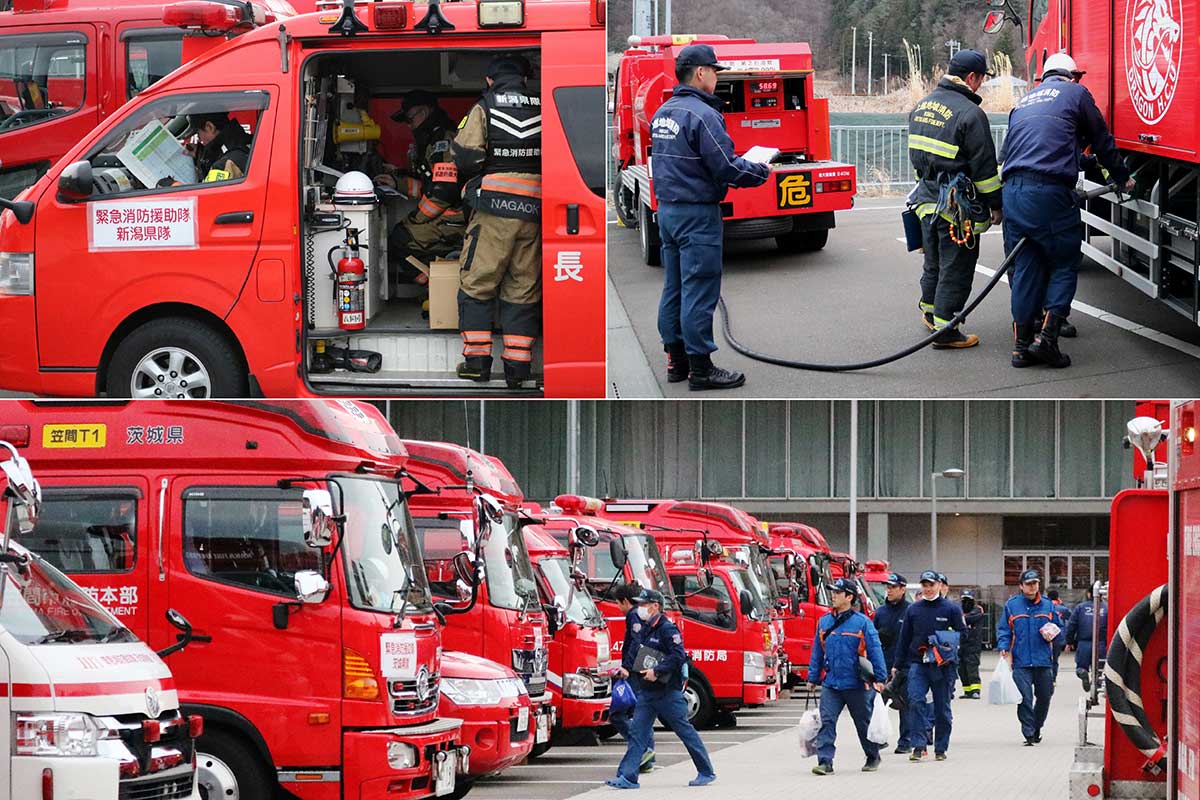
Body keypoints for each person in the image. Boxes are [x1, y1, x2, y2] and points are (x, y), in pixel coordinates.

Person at [1000, 52, 1135, 369]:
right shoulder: (1076, 93)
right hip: (1049, 193)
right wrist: (1122, 178)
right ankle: (1047, 341)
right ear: (1072, 76)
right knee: (1063, 261)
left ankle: (1021, 348)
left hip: (1014, 193)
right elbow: (1101, 139)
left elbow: (1020, 150)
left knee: (1027, 267)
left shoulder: (1023, 102)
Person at [649, 43, 770, 391]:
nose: (717, 78)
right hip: (697, 215)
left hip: (669, 211)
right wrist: (761, 170)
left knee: (674, 288)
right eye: (715, 71)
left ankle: (677, 362)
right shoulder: (703, 115)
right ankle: (701, 369)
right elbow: (727, 166)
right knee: (700, 290)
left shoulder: (664, 113)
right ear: (700, 73)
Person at [451, 54, 543, 389]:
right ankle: (518, 371)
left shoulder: (485, 106)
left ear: (490, 80)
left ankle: (477, 364)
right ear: (522, 79)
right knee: (523, 288)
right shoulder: (542, 103)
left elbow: (466, 155)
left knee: (478, 282)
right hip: (535, 211)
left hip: (494, 211)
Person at [906, 49, 1003, 349]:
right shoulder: (971, 114)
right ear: (971, 77)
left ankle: (930, 313)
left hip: (925, 202)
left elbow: (917, 159)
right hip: (955, 210)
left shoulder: (920, 107)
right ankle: (946, 330)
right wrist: (995, 205)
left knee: (933, 263)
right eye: (981, 80)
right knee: (956, 267)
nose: (980, 86)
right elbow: (985, 170)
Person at [606, 589, 714, 789]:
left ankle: (706, 771)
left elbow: (678, 656)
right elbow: (642, 653)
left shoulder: (667, 629)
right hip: (647, 692)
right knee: (638, 734)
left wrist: (657, 671)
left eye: (644, 604)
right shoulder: (647, 628)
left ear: (655, 606)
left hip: (667, 693)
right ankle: (628, 777)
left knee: (685, 731)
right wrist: (628, 670)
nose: (640, 608)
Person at [378, 91, 466, 291]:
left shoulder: (443, 140)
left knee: (399, 240)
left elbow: (444, 192)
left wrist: (416, 219)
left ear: (424, 112)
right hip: (448, 215)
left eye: (410, 119)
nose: (408, 126)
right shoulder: (431, 139)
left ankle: (435, 288)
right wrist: (396, 183)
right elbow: (428, 186)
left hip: (457, 219)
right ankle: (436, 289)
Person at [807, 578, 887, 775]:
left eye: (837, 592)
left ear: (849, 597)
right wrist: (813, 677)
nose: (833, 595)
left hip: (857, 684)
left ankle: (872, 755)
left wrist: (880, 678)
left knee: (863, 723)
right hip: (832, 684)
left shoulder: (863, 623)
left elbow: (875, 650)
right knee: (827, 721)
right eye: (832, 592)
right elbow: (817, 651)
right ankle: (825, 762)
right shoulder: (824, 622)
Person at [893, 570, 964, 762]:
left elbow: (962, 635)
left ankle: (940, 747)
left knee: (941, 707)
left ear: (940, 586)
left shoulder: (951, 609)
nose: (928, 589)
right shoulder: (913, 610)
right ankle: (919, 745)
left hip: (943, 666)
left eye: (931, 585)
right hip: (918, 663)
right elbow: (904, 637)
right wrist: (897, 664)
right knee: (915, 701)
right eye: (925, 585)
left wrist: (946, 645)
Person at [995, 570, 1064, 745]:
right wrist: (1004, 647)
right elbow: (1004, 629)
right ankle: (1028, 732)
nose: (1032, 587)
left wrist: (1054, 633)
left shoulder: (1048, 605)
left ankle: (1037, 726)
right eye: (1029, 584)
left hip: (1043, 660)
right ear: (1021, 586)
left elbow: (1059, 626)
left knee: (1044, 696)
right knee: (1024, 698)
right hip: (1021, 660)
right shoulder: (1012, 606)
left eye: (1035, 583)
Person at [610, 583, 657, 773]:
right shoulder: (644, 614)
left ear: (625, 602)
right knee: (642, 713)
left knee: (618, 714)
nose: (618, 608)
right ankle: (647, 759)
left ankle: (643, 750)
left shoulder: (633, 615)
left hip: (635, 671)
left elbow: (635, 643)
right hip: (645, 668)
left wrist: (627, 667)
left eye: (618, 604)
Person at [871, 572, 916, 754]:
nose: (888, 591)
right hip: (883, 664)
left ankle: (905, 741)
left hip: (905, 666)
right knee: (877, 704)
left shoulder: (911, 611)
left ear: (902, 589)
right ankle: (878, 738)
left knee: (904, 704)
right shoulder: (880, 612)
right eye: (887, 587)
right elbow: (872, 638)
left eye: (892, 587)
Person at [187, 111, 251, 182]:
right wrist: (199, 154)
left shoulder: (224, 165)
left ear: (210, 127)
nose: (199, 138)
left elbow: (207, 192)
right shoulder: (248, 140)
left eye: (198, 133)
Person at [1065, 586, 1107, 692]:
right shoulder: (1107, 608)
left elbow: (1072, 625)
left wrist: (1069, 642)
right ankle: (1097, 684)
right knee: (1100, 669)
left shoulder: (1080, 607)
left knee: (1080, 667)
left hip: (1084, 643)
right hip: (1101, 644)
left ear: (1089, 594)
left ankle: (1083, 672)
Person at [957, 590, 985, 699]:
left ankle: (975, 691)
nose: (966, 602)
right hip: (961, 644)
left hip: (973, 645)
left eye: (968, 599)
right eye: (964, 599)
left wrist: (960, 619)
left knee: (972, 668)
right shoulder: (959, 610)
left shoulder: (978, 609)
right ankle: (967, 690)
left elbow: (970, 618)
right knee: (962, 669)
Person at [1047, 588, 1067, 684]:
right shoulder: (1062, 608)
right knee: (1055, 659)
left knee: (1046, 658)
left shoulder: (1045, 607)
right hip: (1058, 636)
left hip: (1046, 636)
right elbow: (1070, 616)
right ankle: (1053, 679)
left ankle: (1046, 678)